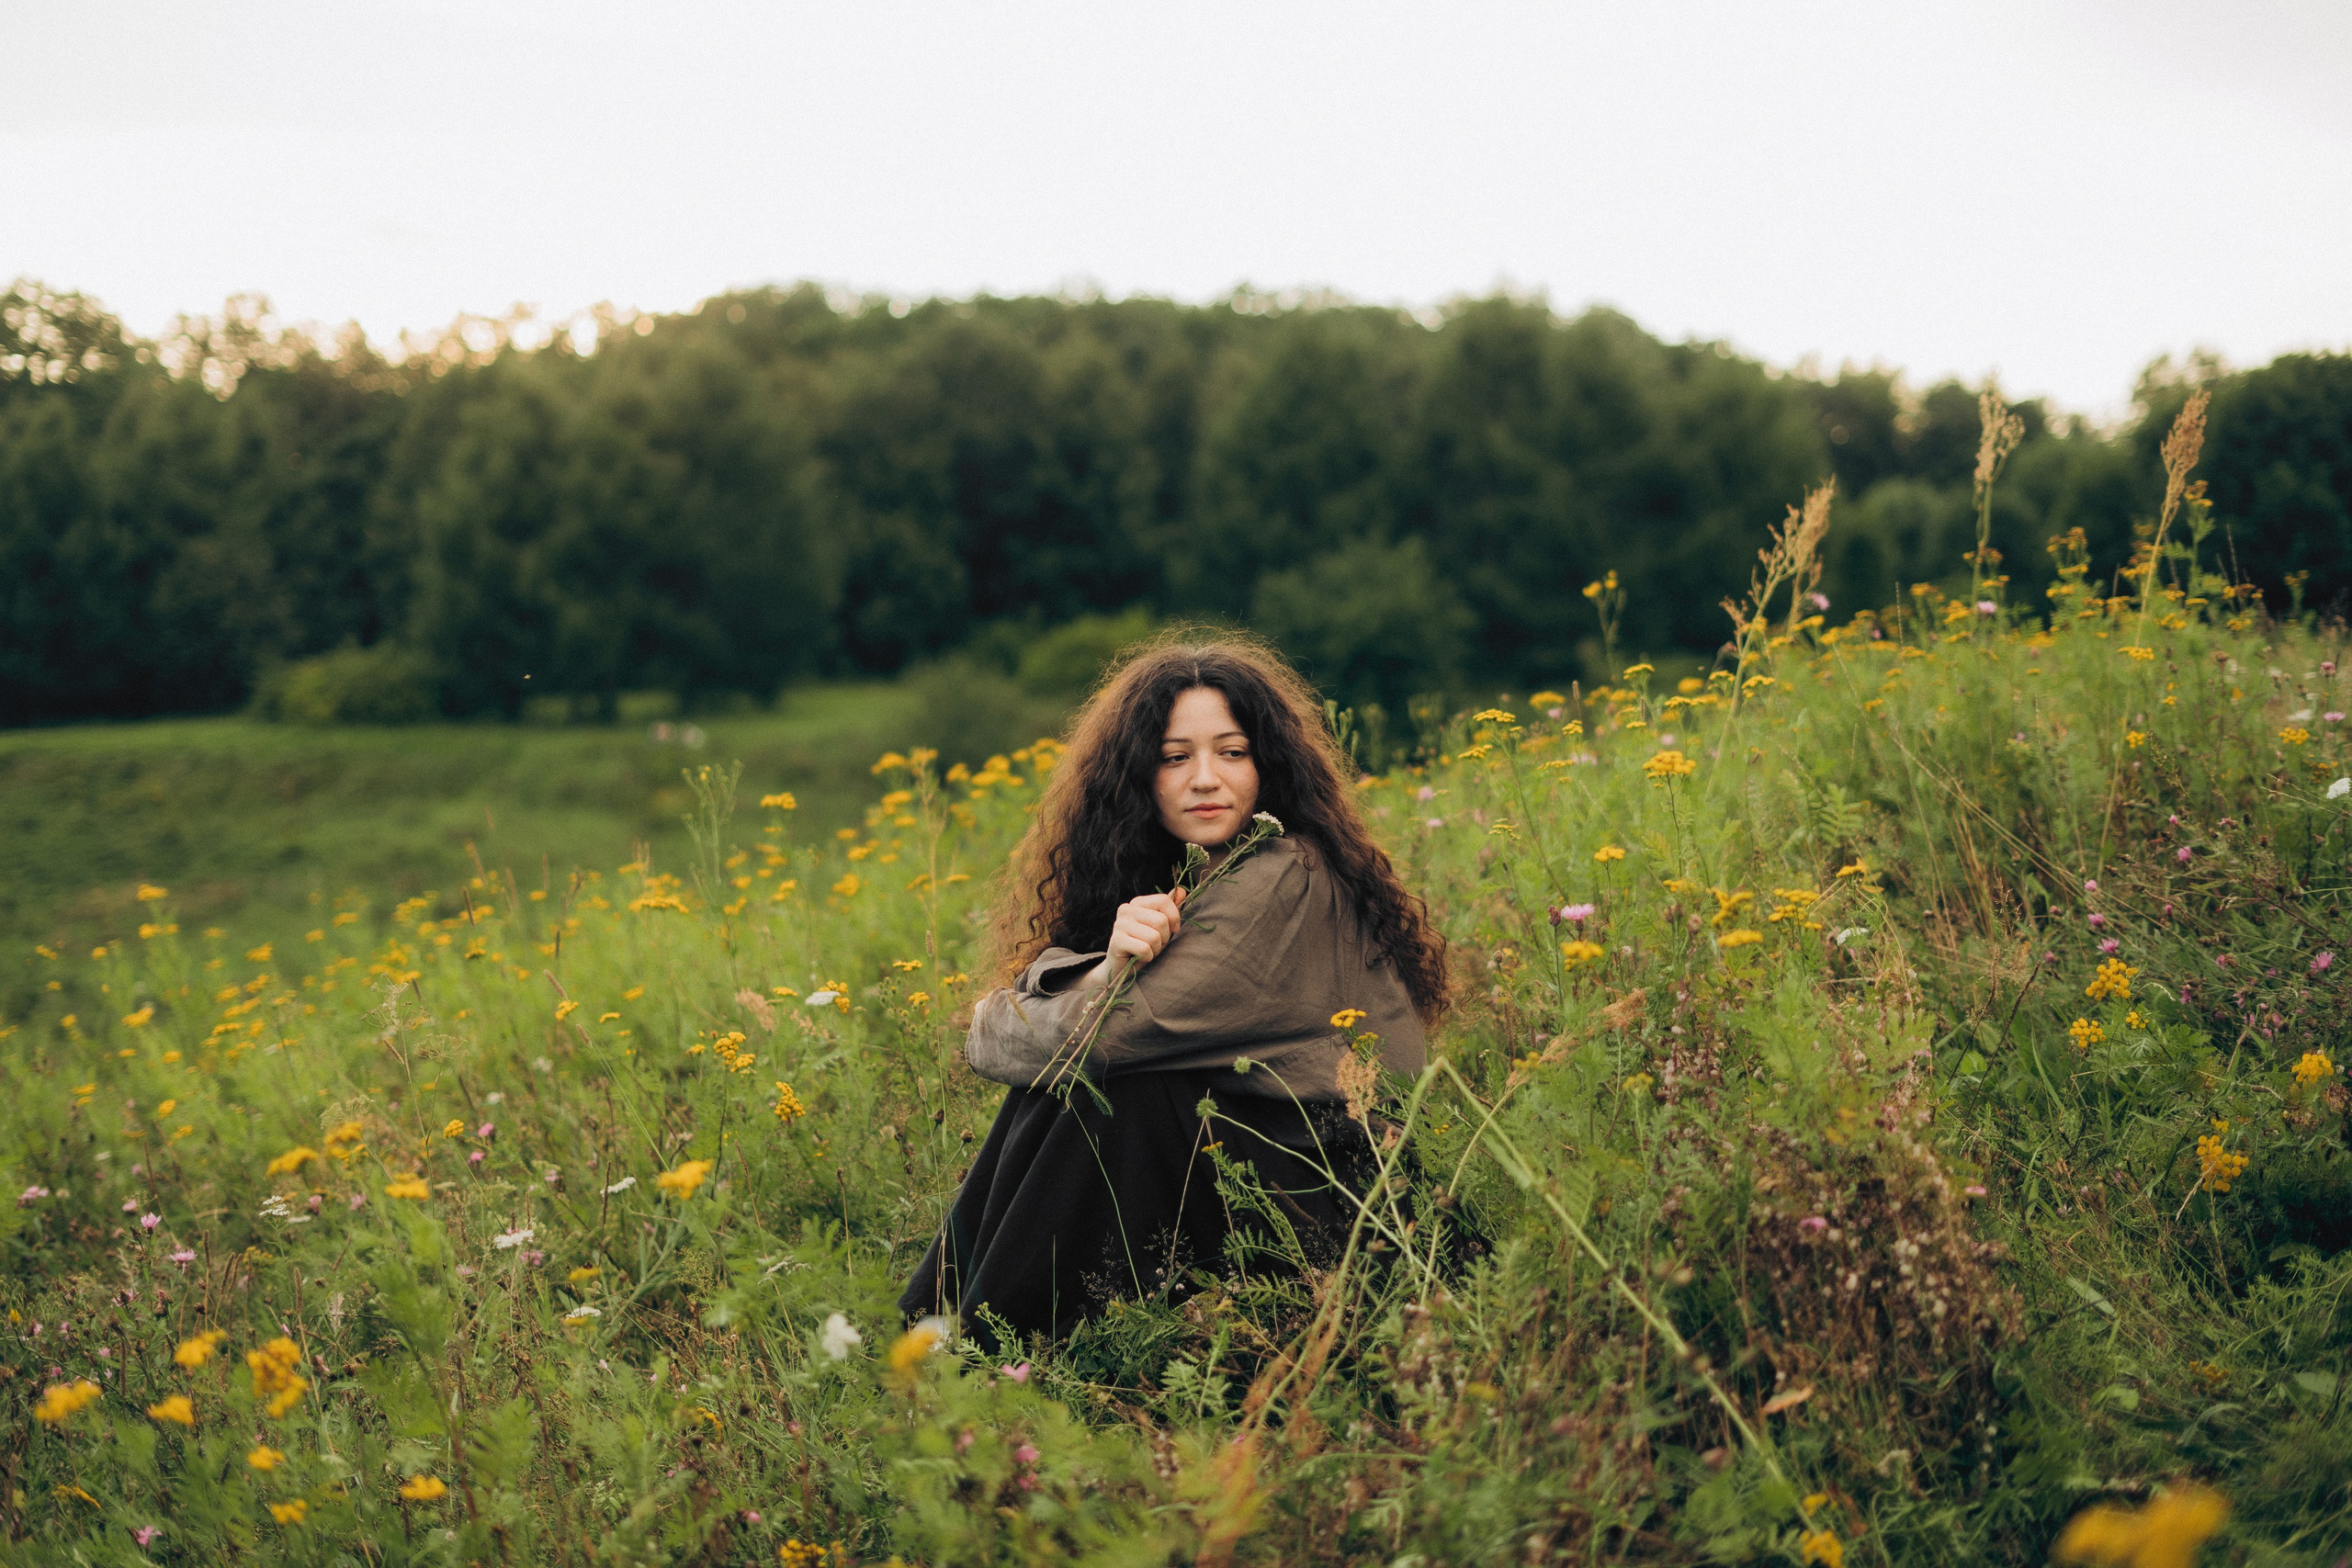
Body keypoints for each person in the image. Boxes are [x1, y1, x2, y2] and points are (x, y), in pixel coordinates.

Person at [899, 637, 1450, 1349]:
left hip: (1347, 1213)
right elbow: (1061, 1035)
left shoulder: (1286, 874)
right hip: (1260, 1177)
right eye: (1174, 756)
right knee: (1073, 1085)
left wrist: (1041, 1003)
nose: (1205, 779)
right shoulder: (1191, 878)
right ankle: (952, 1332)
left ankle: (979, 1349)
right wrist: (1103, 970)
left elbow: (1095, 1039)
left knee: (1114, 1089)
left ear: (1268, 765)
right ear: (1139, 777)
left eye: (1232, 751)